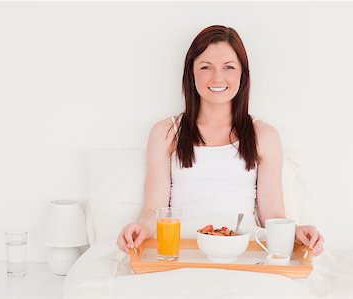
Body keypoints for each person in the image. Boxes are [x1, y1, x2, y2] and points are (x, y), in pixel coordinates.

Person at [116, 25, 324, 256]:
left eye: (228, 67)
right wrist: (139, 229)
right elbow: (154, 209)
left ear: (242, 74)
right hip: (181, 250)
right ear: (191, 73)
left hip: (241, 251)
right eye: (206, 67)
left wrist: (295, 231)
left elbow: (272, 214)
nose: (217, 77)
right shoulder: (166, 133)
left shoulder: (264, 136)